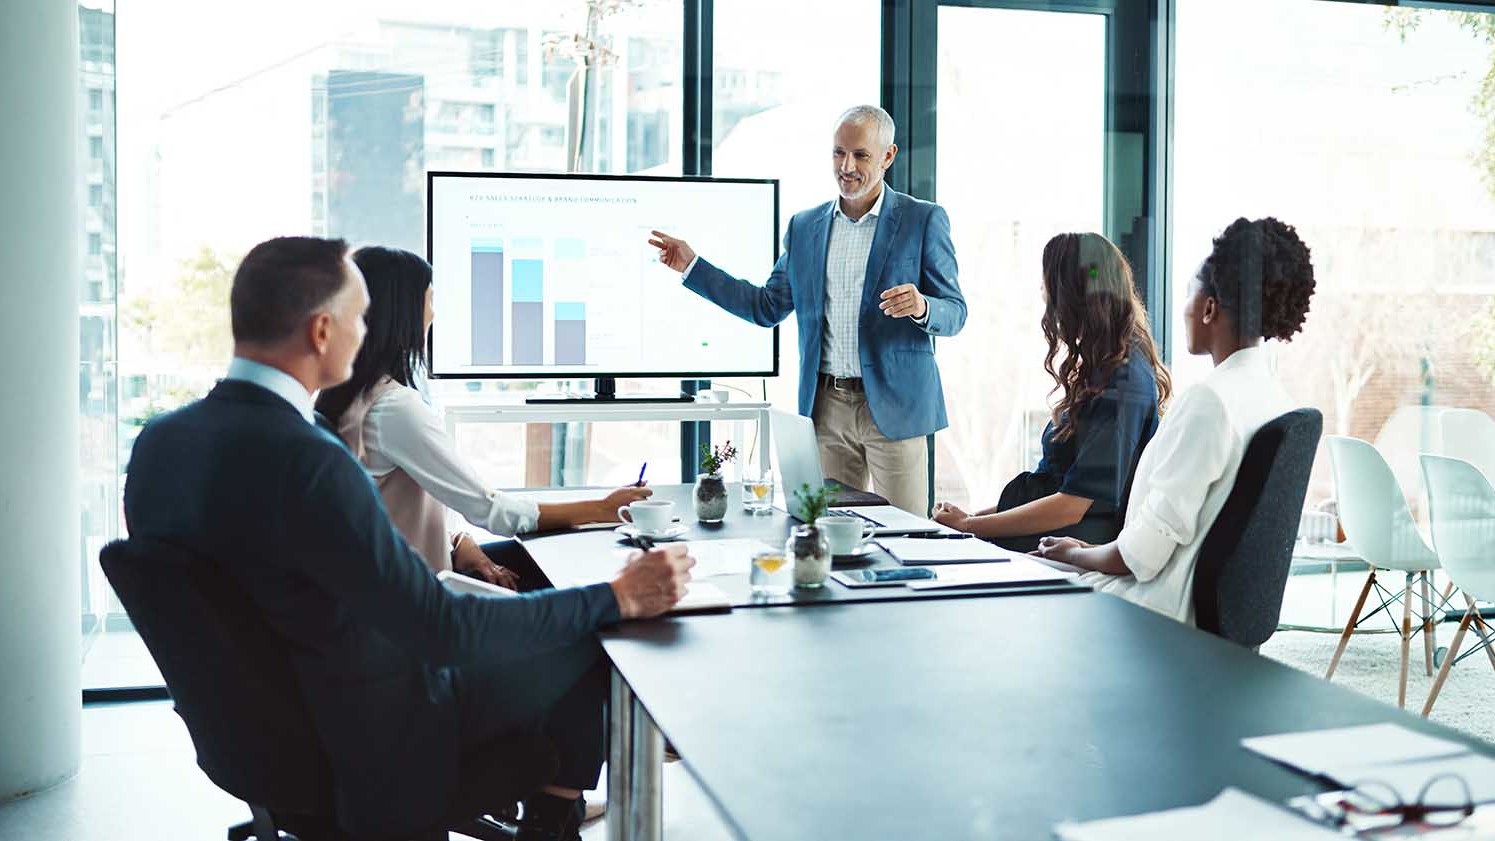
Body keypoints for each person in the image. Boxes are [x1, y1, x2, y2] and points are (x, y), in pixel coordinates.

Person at [123, 236, 695, 841]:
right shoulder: (311, 460)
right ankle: (553, 823)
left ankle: (553, 820)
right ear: (322, 331)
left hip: (258, 735)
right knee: (586, 638)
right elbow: (441, 630)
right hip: (373, 733)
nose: (367, 331)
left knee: (551, 623)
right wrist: (617, 597)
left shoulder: (160, 443)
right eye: (359, 317)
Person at [648, 104, 966, 515]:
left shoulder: (922, 220)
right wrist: (693, 266)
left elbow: (955, 311)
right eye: (838, 152)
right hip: (826, 409)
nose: (846, 166)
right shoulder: (805, 227)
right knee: (829, 533)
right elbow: (766, 307)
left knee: (905, 534)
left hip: (895, 408)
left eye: (861, 155)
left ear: (888, 156)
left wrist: (923, 306)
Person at [315, 245, 651, 589]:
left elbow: (397, 506)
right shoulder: (394, 409)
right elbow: (492, 511)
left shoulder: (347, 396)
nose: (434, 314)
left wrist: (461, 541)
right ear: (404, 311)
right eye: (430, 300)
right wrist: (603, 509)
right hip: (416, 600)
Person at [1034, 218, 1317, 624]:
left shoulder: (1210, 401)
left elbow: (1141, 557)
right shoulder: (1274, 398)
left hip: (1151, 610)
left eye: (1188, 293)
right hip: (1189, 609)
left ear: (1208, 308)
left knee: (1003, 582)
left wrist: (1076, 554)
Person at [930, 232, 1170, 554]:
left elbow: (1071, 505)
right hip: (1052, 535)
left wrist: (971, 526)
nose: (1043, 293)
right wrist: (970, 518)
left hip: (1067, 545)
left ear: (1071, 295)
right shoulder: (1106, 367)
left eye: (1048, 285)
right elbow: (1055, 487)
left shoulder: (1123, 383)